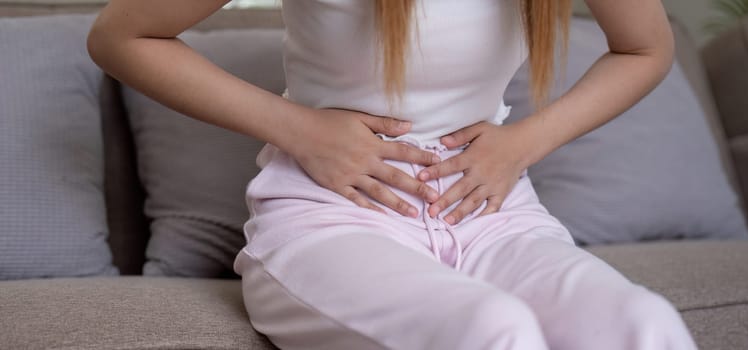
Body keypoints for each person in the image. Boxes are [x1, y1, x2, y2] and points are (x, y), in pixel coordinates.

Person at [88, 0, 698, 349]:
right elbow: (122, 35)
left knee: (646, 328)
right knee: (494, 332)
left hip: (497, 218)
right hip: (329, 219)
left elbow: (645, 47)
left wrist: (523, 143)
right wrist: (300, 128)